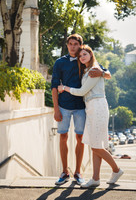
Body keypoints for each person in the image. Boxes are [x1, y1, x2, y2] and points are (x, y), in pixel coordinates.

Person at [58, 44, 124, 188]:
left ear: (91, 55)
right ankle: (95, 178)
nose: (82, 57)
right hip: (91, 108)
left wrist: (65, 88)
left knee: (95, 147)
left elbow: (82, 91)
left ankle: (116, 169)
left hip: (97, 106)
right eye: (80, 55)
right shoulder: (88, 70)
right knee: (96, 144)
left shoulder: (94, 69)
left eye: (84, 55)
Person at [51, 34, 111, 185]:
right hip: (64, 106)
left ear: (80, 46)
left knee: (80, 139)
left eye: (75, 44)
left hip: (81, 108)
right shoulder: (60, 62)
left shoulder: (85, 61)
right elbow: (54, 86)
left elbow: (107, 74)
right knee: (63, 137)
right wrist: (56, 109)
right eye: (70, 44)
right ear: (67, 45)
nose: (72, 46)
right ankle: (65, 172)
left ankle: (78, 172)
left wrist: (103, 73)